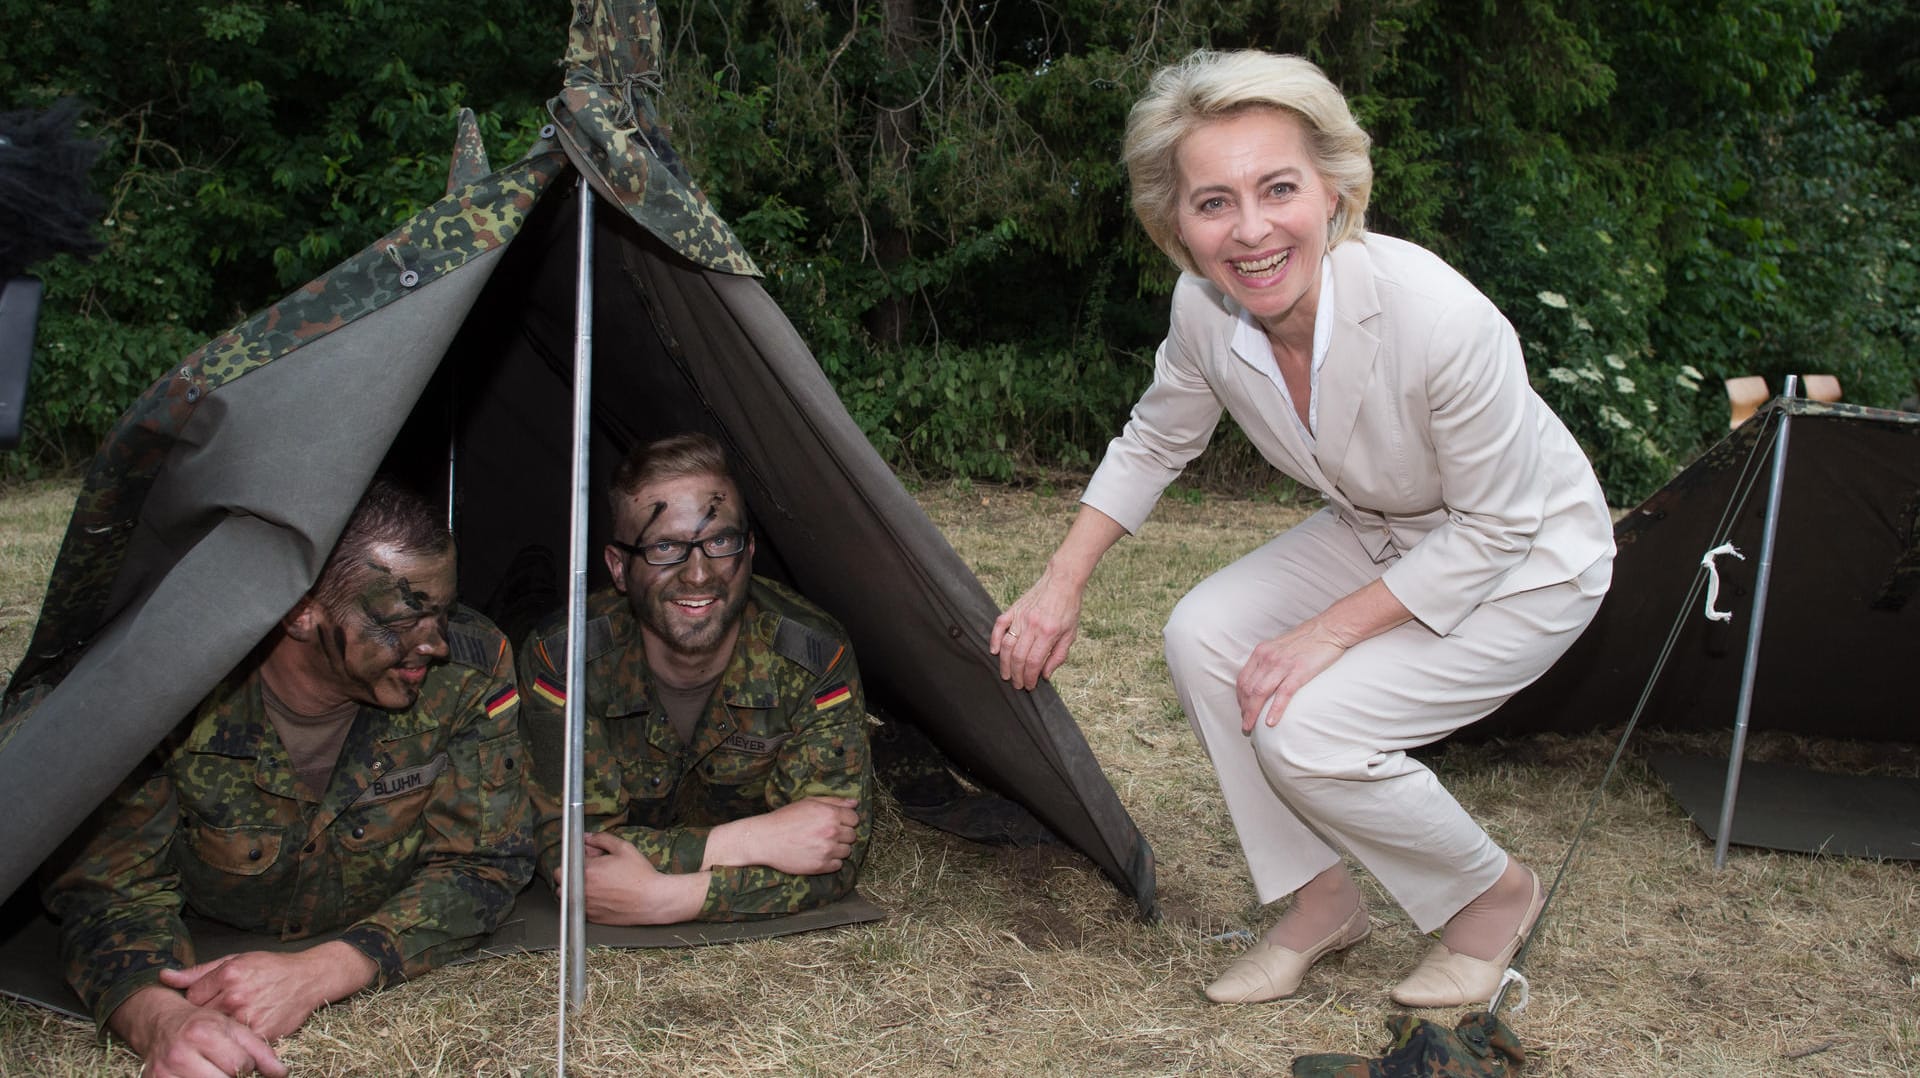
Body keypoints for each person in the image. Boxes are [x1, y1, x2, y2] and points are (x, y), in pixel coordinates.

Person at [992, 50, 1614, 1009]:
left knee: (1310, 728)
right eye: (1213, 202)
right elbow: (1155, 441)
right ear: (1179, 225)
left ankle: (1494, 897)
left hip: (1524, 556)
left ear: (1333, 190)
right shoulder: (1203, 311)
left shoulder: (1442, 319)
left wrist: (1322, 635)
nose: (1250, 230)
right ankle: (1318, 899)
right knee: (1202, 633)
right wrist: (1059, 581)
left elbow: (1493, 526)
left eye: (1277, 188)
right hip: (1378, 530)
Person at [40, 478, 535, 1078]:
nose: (433, 643)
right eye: (402, 619)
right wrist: (159, 1019)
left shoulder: (470, 669)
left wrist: (323, 971)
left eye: (444, 612)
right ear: (300, 611)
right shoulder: (171, 690)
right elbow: (109, 890)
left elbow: (485, 860)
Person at [517, 432, 871, 925]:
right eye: (665, 546)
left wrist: (668, 899)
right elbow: (573, 855)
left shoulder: (813, 656)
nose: (699, 574)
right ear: (619, 568)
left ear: (749, 551)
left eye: (720, 541)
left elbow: (834, 848)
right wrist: (754, 840)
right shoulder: (565, 660)